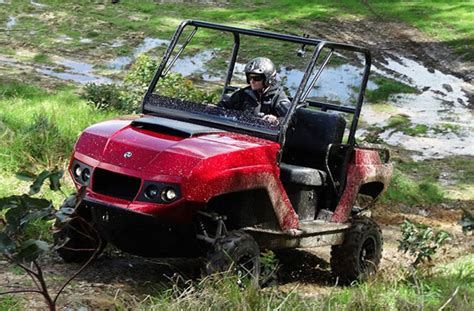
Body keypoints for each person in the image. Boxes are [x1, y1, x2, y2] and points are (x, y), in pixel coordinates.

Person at [220, 57, 290, 123]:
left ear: (268, 79)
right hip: (240, 130)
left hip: (265, 134)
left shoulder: (278, 98)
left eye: (257, 78)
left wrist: (276, 120)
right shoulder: (244, 94)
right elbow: (223, 106)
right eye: (250, 77)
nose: (252, 81)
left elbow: (289, 119)